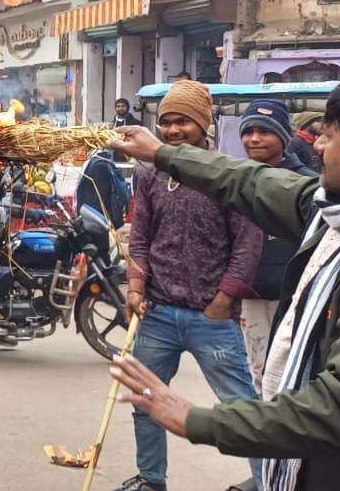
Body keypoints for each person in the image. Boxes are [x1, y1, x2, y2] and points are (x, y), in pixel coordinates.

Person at [108, 69, 340, 491]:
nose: (317, 146)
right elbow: (252, 182)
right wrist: (162, 153)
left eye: (329, 137)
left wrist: (192, 419)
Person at [117, 80, 262, 491]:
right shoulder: (149, 174)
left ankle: (269, 481)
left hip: (211, 317)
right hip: (157, 313)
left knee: (242, 408)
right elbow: (140, 236)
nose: (173, 130)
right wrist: (135, 286)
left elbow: (247, 245)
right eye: (166, 122)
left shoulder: (227, 174)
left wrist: (223, 299)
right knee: (145, 400)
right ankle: (151, 479)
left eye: (183, 121)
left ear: (204, 124)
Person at [235, 99, 317, 390]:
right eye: (248, 131)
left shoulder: (307, 184)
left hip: (296, 299)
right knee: (257, 374)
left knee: (293, 376)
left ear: (284, 136)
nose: (254, 139)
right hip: (252, 296)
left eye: (265, 131)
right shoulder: (237, 181)